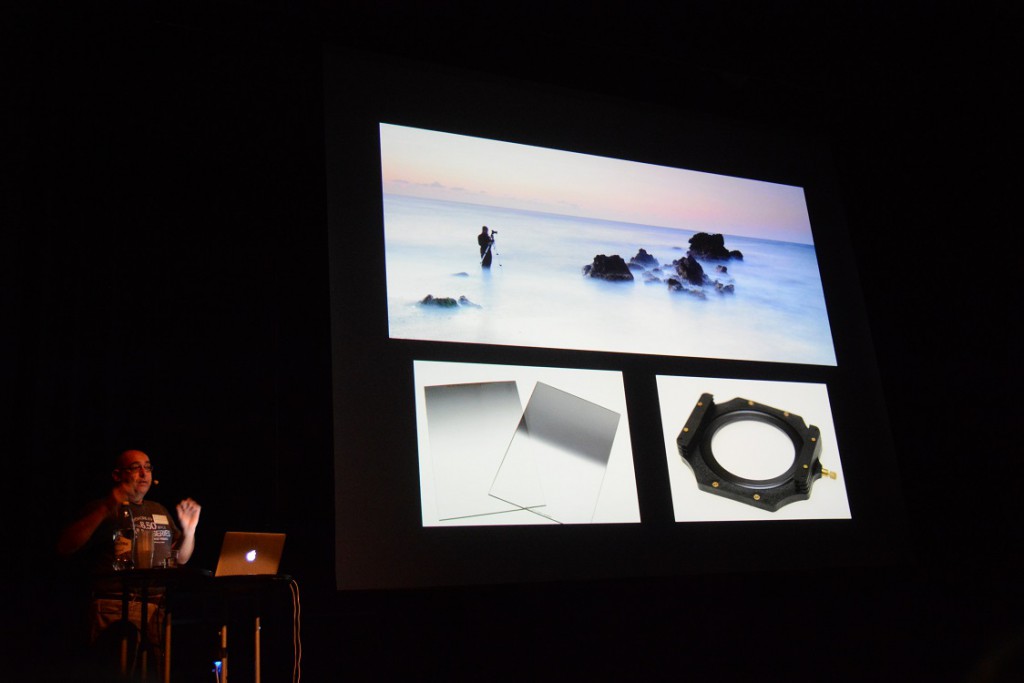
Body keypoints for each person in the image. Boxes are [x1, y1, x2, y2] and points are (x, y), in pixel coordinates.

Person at [57, 449, 201, 670]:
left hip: (155, 607)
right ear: (117, 475)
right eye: (136, 467)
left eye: (148, 467)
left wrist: (189, 531)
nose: (144, 473)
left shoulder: (158, 509)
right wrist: (107, 506)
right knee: (116, 671)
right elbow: (65, 546)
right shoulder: (103, 508)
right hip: (115, 605)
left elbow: (180, 558)